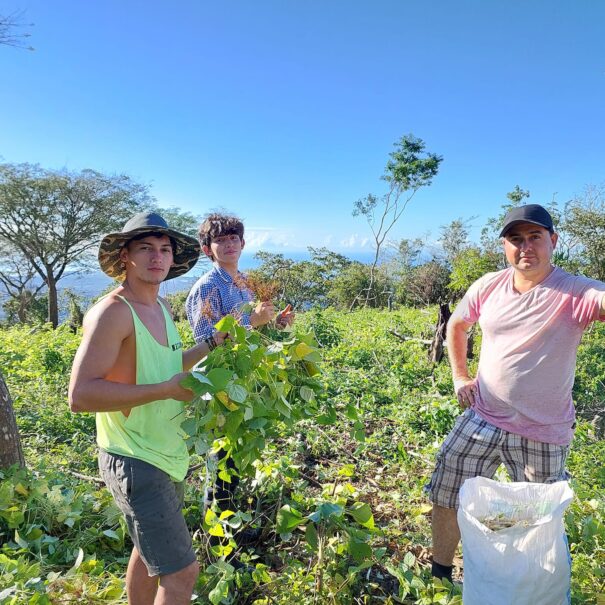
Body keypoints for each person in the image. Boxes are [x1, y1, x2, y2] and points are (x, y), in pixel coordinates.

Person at [426, 204, 605, 583]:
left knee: (540, 518)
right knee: (447, 489)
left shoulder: (576, 291)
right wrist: (461, 377)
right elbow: (457, 325)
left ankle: (534, 584)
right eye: (515, 239)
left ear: (553, 241)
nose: (526, 247)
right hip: (483, 416)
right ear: (505, 246)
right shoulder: (488, 285)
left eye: (535, 237)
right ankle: (440, 573)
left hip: (543, 429)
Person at [69, 212, 226, 605]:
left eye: (164, 249)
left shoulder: (159, 307)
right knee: (182, 574)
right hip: (134, 458)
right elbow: (80, 395)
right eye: (146, 249)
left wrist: (212, 344)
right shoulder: (114, 312)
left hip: (165, 454)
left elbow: (169, 367)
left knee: (147, 553)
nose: (157, 257)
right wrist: (163, 390)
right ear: (125, 256)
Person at [185, 212, 294, 514]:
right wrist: (251, 320)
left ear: (243, 243)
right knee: (221, 463)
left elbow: (255, 330)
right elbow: (206, 343)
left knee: (236, 458)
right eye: (220, 240)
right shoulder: (206, 287)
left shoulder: (245, 282)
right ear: (207, 249)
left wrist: (276, 324)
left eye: (234, 238)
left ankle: (229, 528)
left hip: (243, 381)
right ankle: (218, 541)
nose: (229, 244)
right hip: (218, 385)